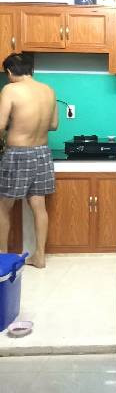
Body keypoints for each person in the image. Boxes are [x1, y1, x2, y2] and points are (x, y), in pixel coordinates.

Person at [0, 52, 58, 268]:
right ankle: (39, 256)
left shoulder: (10, 89)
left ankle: (2, 257)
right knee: (38, 205)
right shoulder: (48, 90)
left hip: (18, 153)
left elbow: (0, 125)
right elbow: (53, 125)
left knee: (3, 207)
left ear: (9, 71)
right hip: (42, 152)